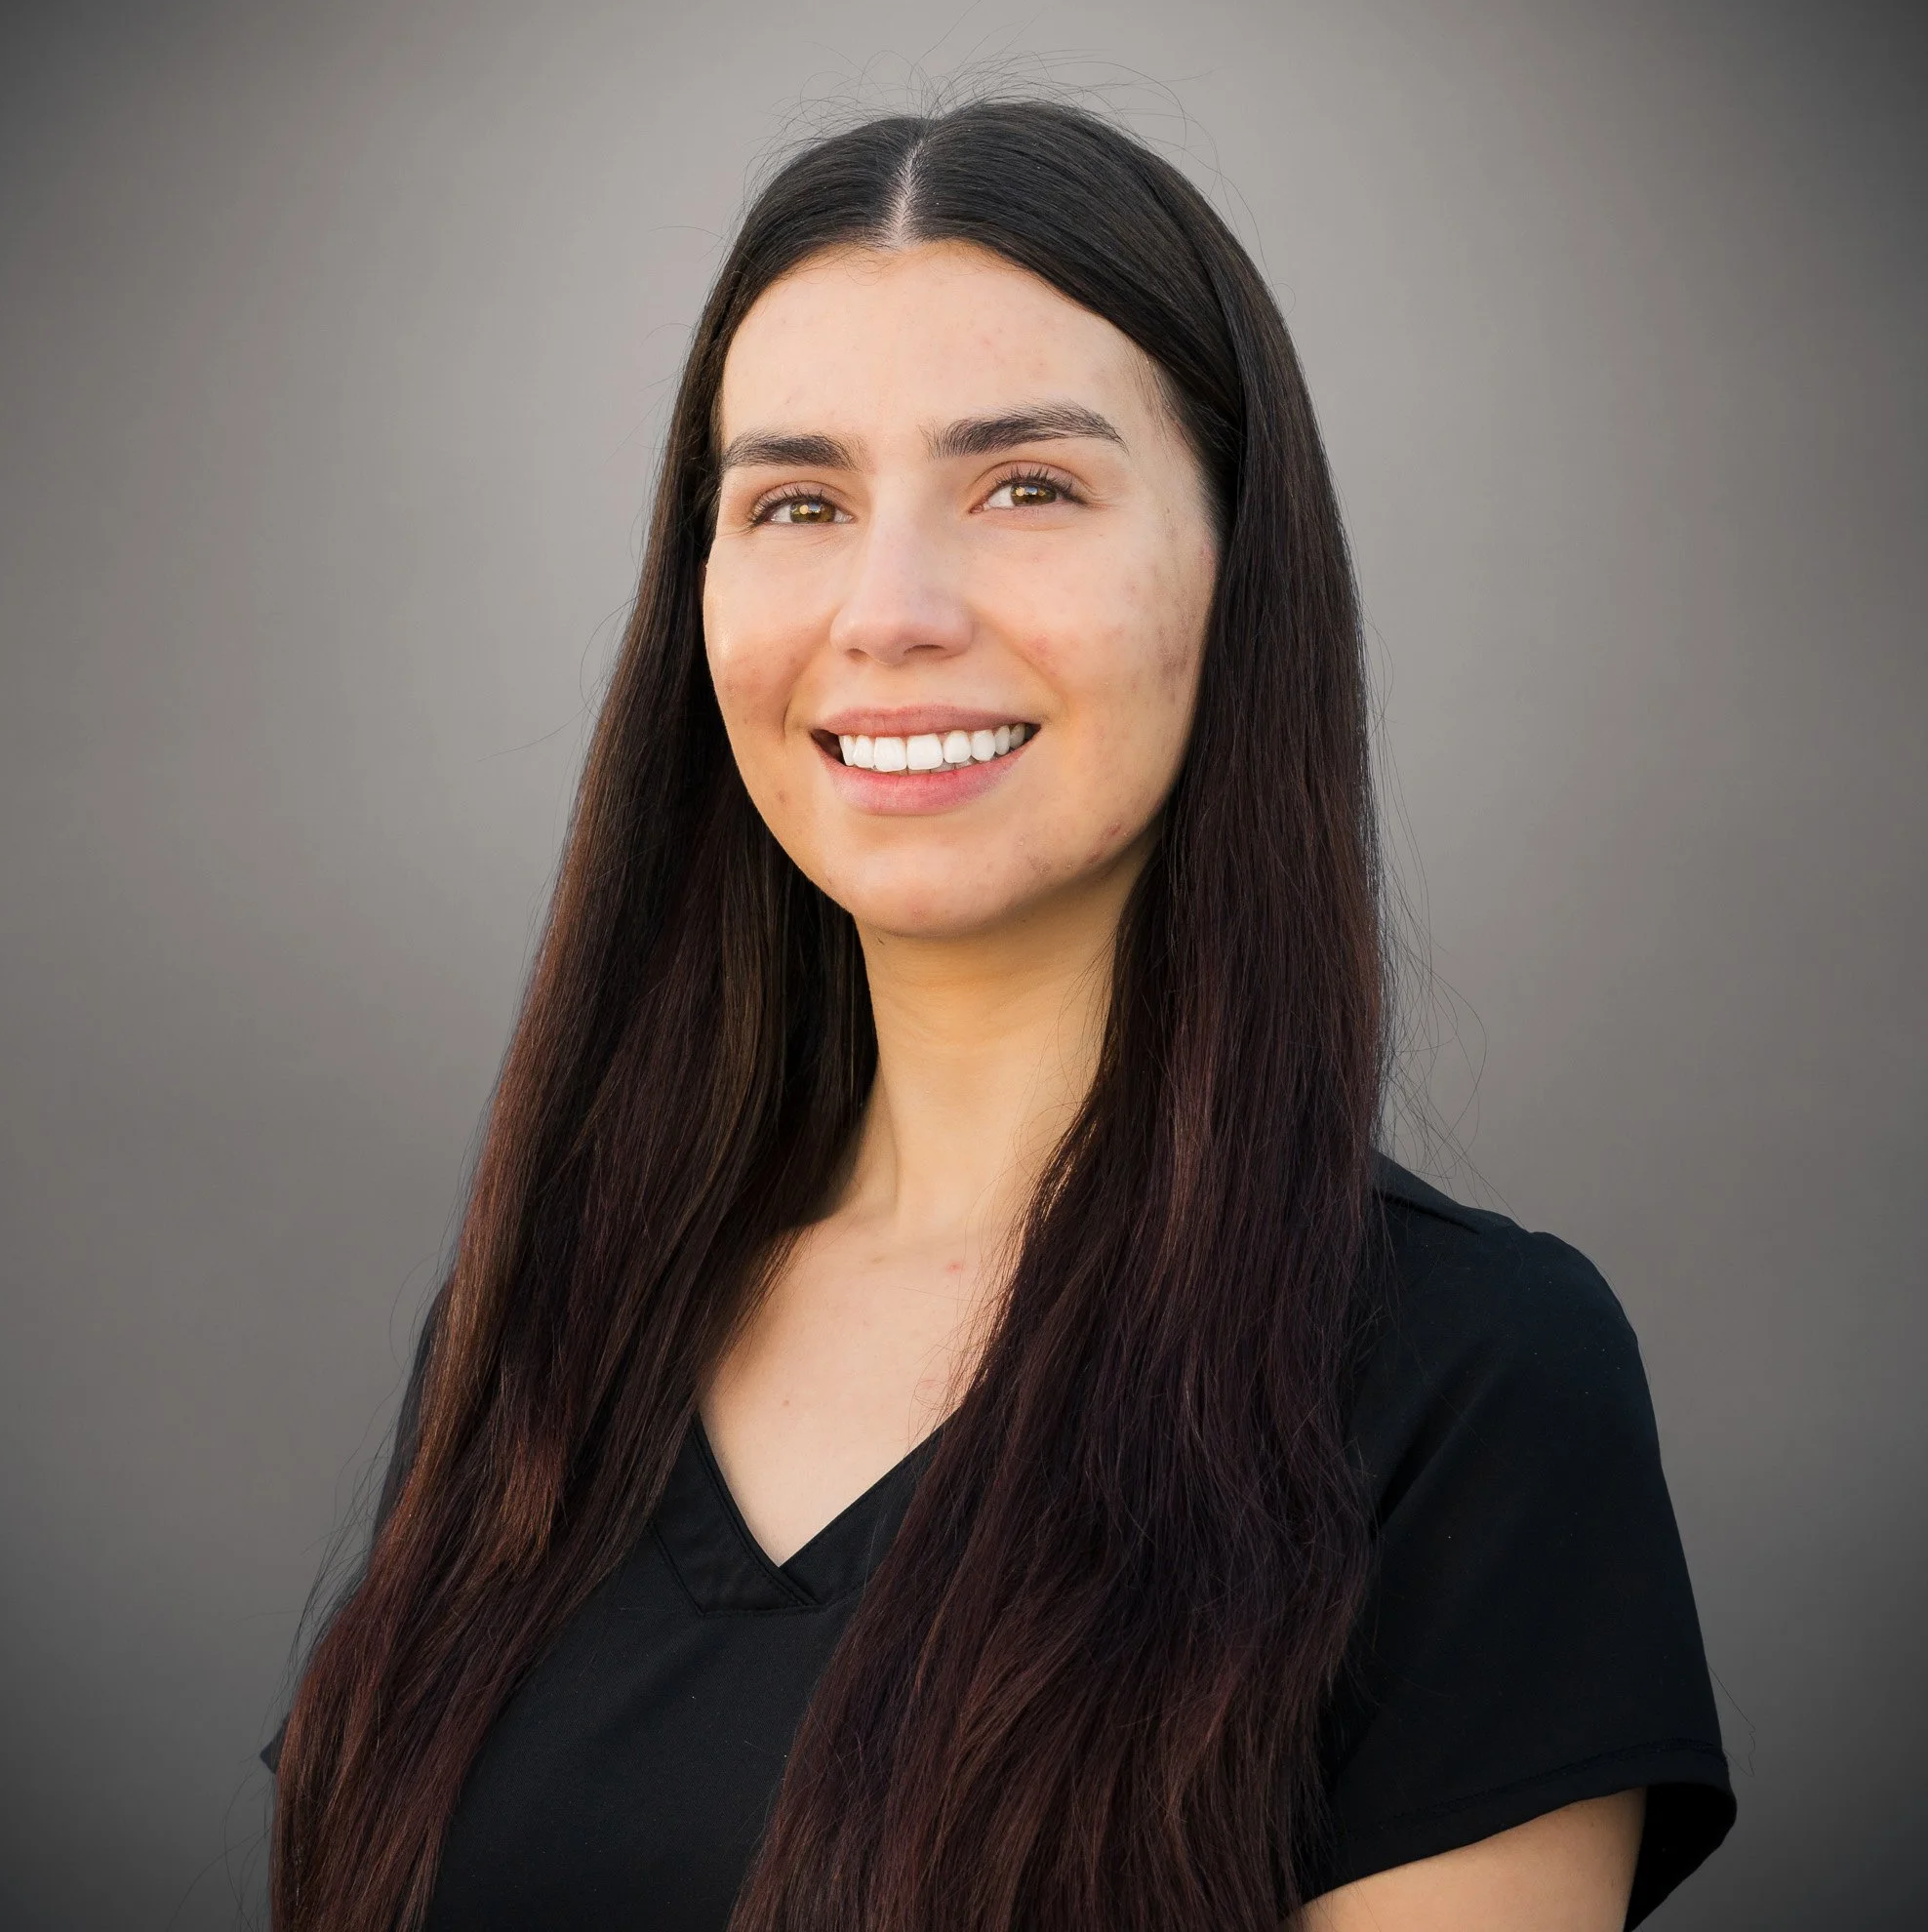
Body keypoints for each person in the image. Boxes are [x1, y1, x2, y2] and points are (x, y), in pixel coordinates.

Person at [264, 100, 1734, 1932]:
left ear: (1239, 566)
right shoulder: (555, 1323)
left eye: (1027, 486)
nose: (888, 613)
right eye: (798, 504)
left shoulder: (1470, 1382)